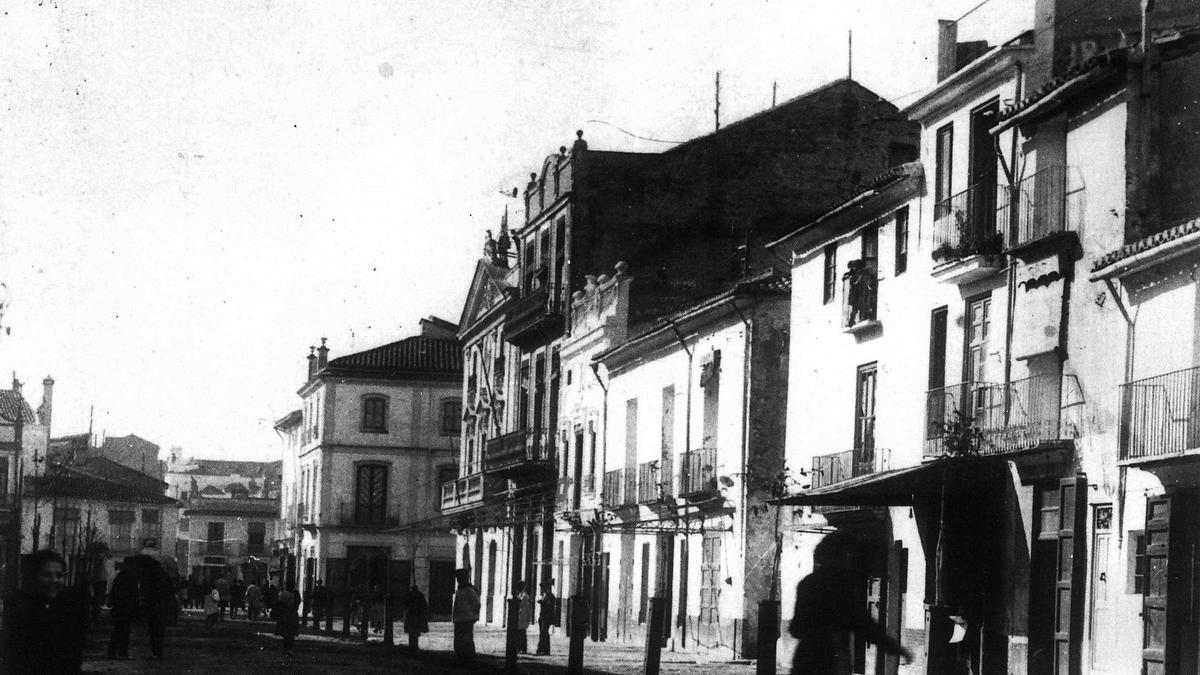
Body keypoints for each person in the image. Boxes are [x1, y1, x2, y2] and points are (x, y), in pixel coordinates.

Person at [788, 531, 911, 674]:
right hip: (832, 661)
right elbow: (864, 625)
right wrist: (895, 648)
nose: (850, 560)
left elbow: (795, 629)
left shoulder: (807, 583)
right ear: (839, 556)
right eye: (847, 554)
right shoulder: (842, 585)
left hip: (805, 660)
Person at [0, 549, 89, 673]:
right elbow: (14, 657)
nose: (54, 580)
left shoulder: (68, 610)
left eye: (59, 575)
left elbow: (74, 657)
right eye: (46, 575)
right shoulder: (20, 609)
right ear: (33, 577)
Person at [107, 559, 140, 660]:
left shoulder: (120, 576)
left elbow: (114, 591)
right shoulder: (130, 578)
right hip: (125, 607)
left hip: (120, 607)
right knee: (123, 630)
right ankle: (121, 651)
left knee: (119, 630)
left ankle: (115, 651)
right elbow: (134, 594)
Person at [451, 568, 480, 665]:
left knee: (466, 639)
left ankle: (468, 659)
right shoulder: (460, 589)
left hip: (467, 619)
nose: (458, 580)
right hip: (459, 619)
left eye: (460, 578)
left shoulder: (470, 590)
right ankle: (460, 657)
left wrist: (475, 616)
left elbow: (476, 604)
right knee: (459, 640)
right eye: (457, 578)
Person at [274, 582, 300, 656]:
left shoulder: (283, 594)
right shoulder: (296, 594)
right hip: (293, 614)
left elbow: (278, 603)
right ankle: (290, 649)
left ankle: (286, 649)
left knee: (286, 634)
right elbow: (297, 603)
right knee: (291, 634)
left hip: (285, 615)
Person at [403, 585, 429, 653]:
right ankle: (414, 646)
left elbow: (405, 606)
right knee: (415, 633)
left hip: (412, 616)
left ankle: (412, 646)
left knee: (412, 633)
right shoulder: (420, 596)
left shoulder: (410, 596)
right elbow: (424, 606)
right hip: (417, 616)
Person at [536, 580, 557, 656]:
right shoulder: (545, 595)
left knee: (543, 633)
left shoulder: (551, 596)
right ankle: (544, 650)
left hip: (547, 617)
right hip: (542, 616)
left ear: (547, 587)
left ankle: (541, 650)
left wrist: (542, 603)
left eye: (543, 587)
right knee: (543, 633)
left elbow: (550, 607)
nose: (542, 589)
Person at [515, 581, 533, 654]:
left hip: (523, 616)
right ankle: (519, 647)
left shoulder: (524, 595)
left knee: (522, 633)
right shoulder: (521, 594)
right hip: (520, 616)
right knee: (519, 633)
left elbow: (521, 603)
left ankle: (523, 648)